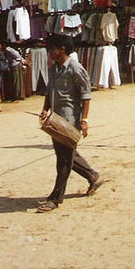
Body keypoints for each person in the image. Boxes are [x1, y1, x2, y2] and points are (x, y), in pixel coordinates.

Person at [38, 35, 104, 213]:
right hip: (54, 120)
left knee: (64, 160)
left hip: (70, 120)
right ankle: (92, 176)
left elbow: (86, 94)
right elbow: (49, 91)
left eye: (53, 48)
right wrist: (45, 109)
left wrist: (84, 120)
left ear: (63, 49)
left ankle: (54, 199)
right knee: (66, 154)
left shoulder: (75, 68)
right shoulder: (53, 68)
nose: (50, 52)